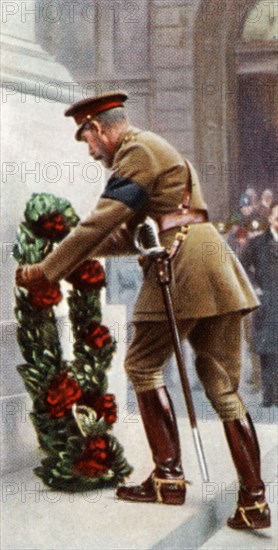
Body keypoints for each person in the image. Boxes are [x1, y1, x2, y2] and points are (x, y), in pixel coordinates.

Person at [16, 91, 271, 530]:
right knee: (223, 387)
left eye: (87, 141)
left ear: (97, 128)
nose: (91, 151)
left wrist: (46, 270)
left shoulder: (135, 152)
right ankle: (254, 501)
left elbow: (103, 221)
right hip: (213, 266)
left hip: (181, 265)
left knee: (142, 365)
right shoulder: (155, 150)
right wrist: (76, 258)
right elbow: (125, 236)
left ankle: (168, 477)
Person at [241, 203, 278, 407]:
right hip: (267, 303)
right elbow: (242, 266)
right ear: (270, 218)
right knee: (267, 351)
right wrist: (254, 287)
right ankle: (269, 395)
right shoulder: (258, 243)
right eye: (277, 217)